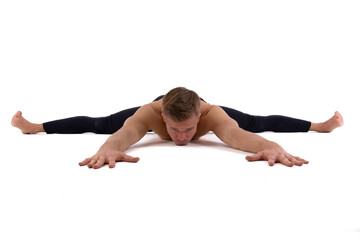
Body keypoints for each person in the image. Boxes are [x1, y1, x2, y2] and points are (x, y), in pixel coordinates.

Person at [11, 87, 344, 169]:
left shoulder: (214, 116)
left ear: (199, 119)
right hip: (151, 109)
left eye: (188, 131)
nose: (181, 138)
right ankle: (33, 127)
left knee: (254, 121)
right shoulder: (149, 116)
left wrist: (267, 147)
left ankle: (321, 126)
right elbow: (124, 134)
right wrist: (109, 149)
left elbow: (235, 135)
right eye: (173, 130)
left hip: (211, 110)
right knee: (102, 124)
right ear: (163, 120)